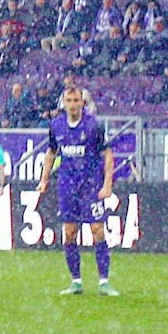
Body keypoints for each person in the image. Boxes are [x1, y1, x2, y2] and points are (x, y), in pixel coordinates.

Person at [31, 86, 118, 295]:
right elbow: (51, 153)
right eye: (68, 100)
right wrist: (44, 180)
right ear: (64, 103)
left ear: (82, 103)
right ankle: (76, 281)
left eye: (75, 100)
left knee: (97, 230)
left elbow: (107, 154)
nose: (72, 104)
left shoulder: (93, 126)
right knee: (69, 232)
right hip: (67, 185)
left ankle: (104, 281)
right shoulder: (56, 126)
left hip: (90, 185)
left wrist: (107, 185)